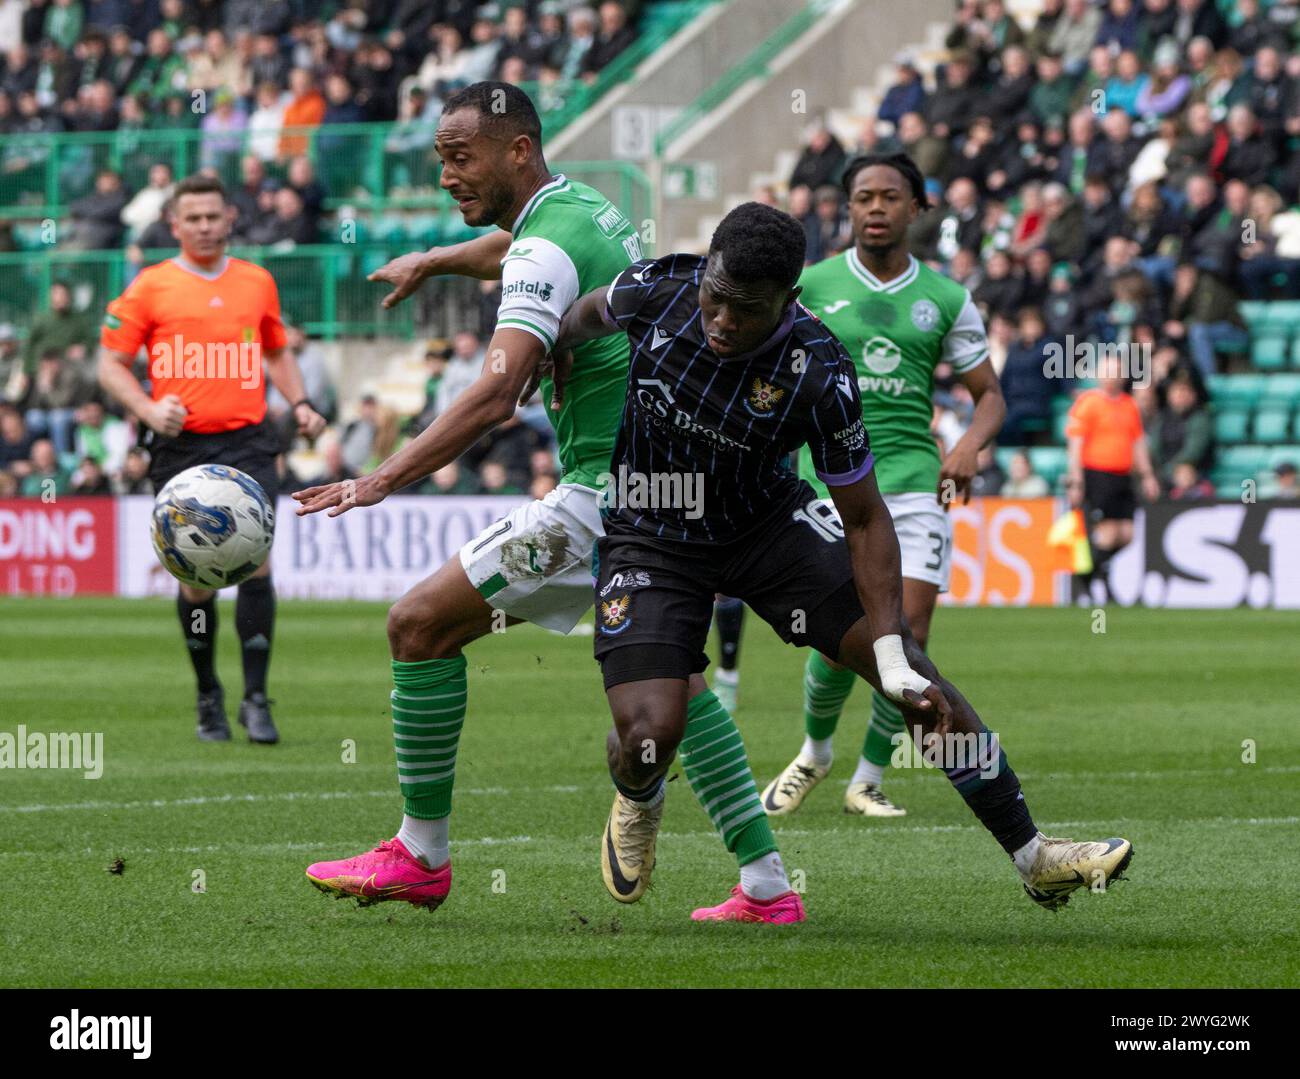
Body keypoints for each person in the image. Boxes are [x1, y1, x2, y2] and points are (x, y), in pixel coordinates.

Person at [295, 83, 791, 919]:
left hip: (599, 499)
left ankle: (421, 852)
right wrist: (434, 259)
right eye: (440, 160)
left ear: (517, 149)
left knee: (418, 624)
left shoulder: (542, 251)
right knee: (674, 683)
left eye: (461, 158)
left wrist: (380, 478)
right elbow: (515, 250)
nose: (447, 176)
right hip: (660, 490)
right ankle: (769, 886)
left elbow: (494, 394)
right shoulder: (583, 209)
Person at [553, 202, 1133, 918]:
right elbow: (582, 315)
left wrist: (889, 648)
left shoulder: (819, 369)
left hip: (766, 529)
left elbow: (864, 516)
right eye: (716, 298)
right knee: (647, 736)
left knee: (915, 681)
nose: (723, 321)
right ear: (703, 273)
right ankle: (641, 792)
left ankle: (1033, 853)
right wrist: (553, 353)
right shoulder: (656, 288)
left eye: (747, 309)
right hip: (650, 532)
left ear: (788, 302)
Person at [761, 153, 1005, 820]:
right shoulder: (810, 285)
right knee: (844, 639)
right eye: (863, 196)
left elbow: (989, 396)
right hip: (831, 485)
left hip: (912, 482)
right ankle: (814, 751)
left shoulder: (947, 298)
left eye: (889, 197)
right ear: (848, 207)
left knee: (907, 634)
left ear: (916, 208)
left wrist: (966, 442)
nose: (875, 208)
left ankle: (868, 777)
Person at [98, 173, 326, 743]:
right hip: (180, 449)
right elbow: (109, 365)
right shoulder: (150, 287)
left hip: (247, 443)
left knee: (256, 563)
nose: (203, 226)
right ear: (174, 225)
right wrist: (149, 411)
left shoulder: (256, 282)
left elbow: (275, 350)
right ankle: (208, 696)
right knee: (196, 582)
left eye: (212, 216)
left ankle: (256, 699)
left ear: (230, 220)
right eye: (191, 218)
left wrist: (298, 401)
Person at [1065, 354, 1161, 604]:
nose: (1112, 377)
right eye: (1108, 372)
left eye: (1117, 372)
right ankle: (1096, 581)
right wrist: (1076, 480)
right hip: (1098, 475)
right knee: (1107, 532)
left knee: (1127, 533)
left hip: (1123, 477)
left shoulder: (1129, 405)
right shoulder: (1088, 403)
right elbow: (1076, 444)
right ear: (1098, 374)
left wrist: (1148, 475)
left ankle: (1090, 572)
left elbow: (1138, 442)